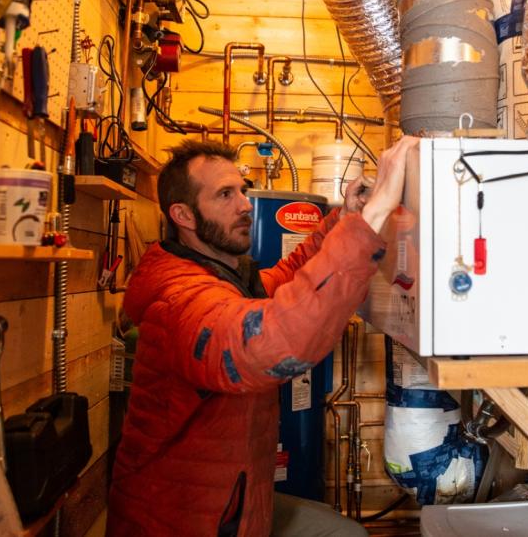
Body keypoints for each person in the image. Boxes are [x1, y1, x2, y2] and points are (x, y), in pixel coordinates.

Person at [108, 136, 419, 537]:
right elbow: (270, 343)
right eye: (224, 194)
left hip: (234, 503)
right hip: (185, 521)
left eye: (243, 190)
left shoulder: (223, 278)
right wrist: (371, 218)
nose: (244, 205)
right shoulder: (180, 301)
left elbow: (290, 277)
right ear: (183, 215)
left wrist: (346, 218)